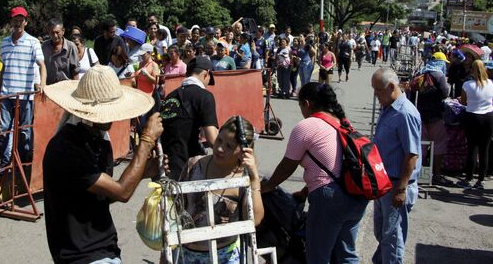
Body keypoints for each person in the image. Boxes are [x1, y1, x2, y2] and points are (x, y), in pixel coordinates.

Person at [43, 65, 164, 264]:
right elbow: (121, 192)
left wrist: (141, 172)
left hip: (104, 249)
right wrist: (146, 141)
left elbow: (100, 197)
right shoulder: (67, 147)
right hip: (81, 255)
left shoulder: (99, 139)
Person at [262, 82, 368, 264]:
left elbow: (288, 166)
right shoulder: (341, 122)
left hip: (330, 199)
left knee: (317, 256)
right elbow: (334, 166)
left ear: (307, 104)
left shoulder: (307, 126)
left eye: (300, 105)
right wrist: (305, 192)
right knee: (346, 254)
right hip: (356, 197)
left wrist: (266, 187)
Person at [179, 116, 264, 263]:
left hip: (226, 256)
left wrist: (255, 179)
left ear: (245, 151)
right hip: (187, 254)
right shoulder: (194, 165)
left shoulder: (243, 179)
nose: (219, 148)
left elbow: (254, 220)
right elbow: (174, 210)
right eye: (219, 140)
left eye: (229, 146)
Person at [371, 68, 421, 264]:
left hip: (395, 186)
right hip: (383, 182)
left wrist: (401, 188)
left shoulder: (404, 113)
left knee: (392, 238)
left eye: (378, 90)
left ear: (391, 87)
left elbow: (412, 154)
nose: (375, 95)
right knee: (383, 233)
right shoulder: (388, 108)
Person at [0, 7, 47, 169]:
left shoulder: (33, 42)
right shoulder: (4, 42)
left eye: (21, 20)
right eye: (15, 20)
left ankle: (24, 164)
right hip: (6, 95)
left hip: (25, 96)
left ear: (25, 22)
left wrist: (42, 84)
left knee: (24, 131)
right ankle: (6, 164)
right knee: (4, 130)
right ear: (11, 22)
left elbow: (41, 64)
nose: (18, 23)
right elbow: (4, 67)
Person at [160, 57, 219, 180]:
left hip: (165, 165)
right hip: (189, 167)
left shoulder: (170, 96)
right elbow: (213, 140)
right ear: (206, 74)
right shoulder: (204, 96)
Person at [408, 52, 452, 186]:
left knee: (421, 146)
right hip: (435, 115)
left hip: (420, 114)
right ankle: (436, 175)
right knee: (438, 144)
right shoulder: (439, 75)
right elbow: (445, 93)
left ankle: (418, 174)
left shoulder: (420, 73)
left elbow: (411, 93)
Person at [457, 60, 493, 190]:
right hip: (488, 117)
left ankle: (468, 178)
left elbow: (464, 102)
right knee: (485, 150)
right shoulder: (491, 84)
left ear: (472, 69)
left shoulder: (467, 85)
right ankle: (481, 180)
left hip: (473, 116)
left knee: (472, 148)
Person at [42, 19, 80, 85]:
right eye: (52, 33)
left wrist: (75, 87)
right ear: (48, 32)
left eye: (57, 32)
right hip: (49, 87)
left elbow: (75, 71)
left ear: (63, 31)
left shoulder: (71, 46)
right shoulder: (44, 47)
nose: (55, 35)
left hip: (66, 87)